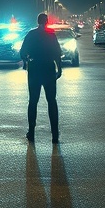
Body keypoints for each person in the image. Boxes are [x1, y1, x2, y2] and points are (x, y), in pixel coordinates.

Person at [19, 12, 63, 143]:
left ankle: (31, 132)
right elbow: (57, 53)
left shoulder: (31, 34)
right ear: (47, 21)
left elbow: (22, 52)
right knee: (51, 101)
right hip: (48, 69)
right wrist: (59, 69)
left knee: (33, 101)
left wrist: (27, 61)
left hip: (34, 69)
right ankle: (54, 134)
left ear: (37, 21)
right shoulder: (51, 35)